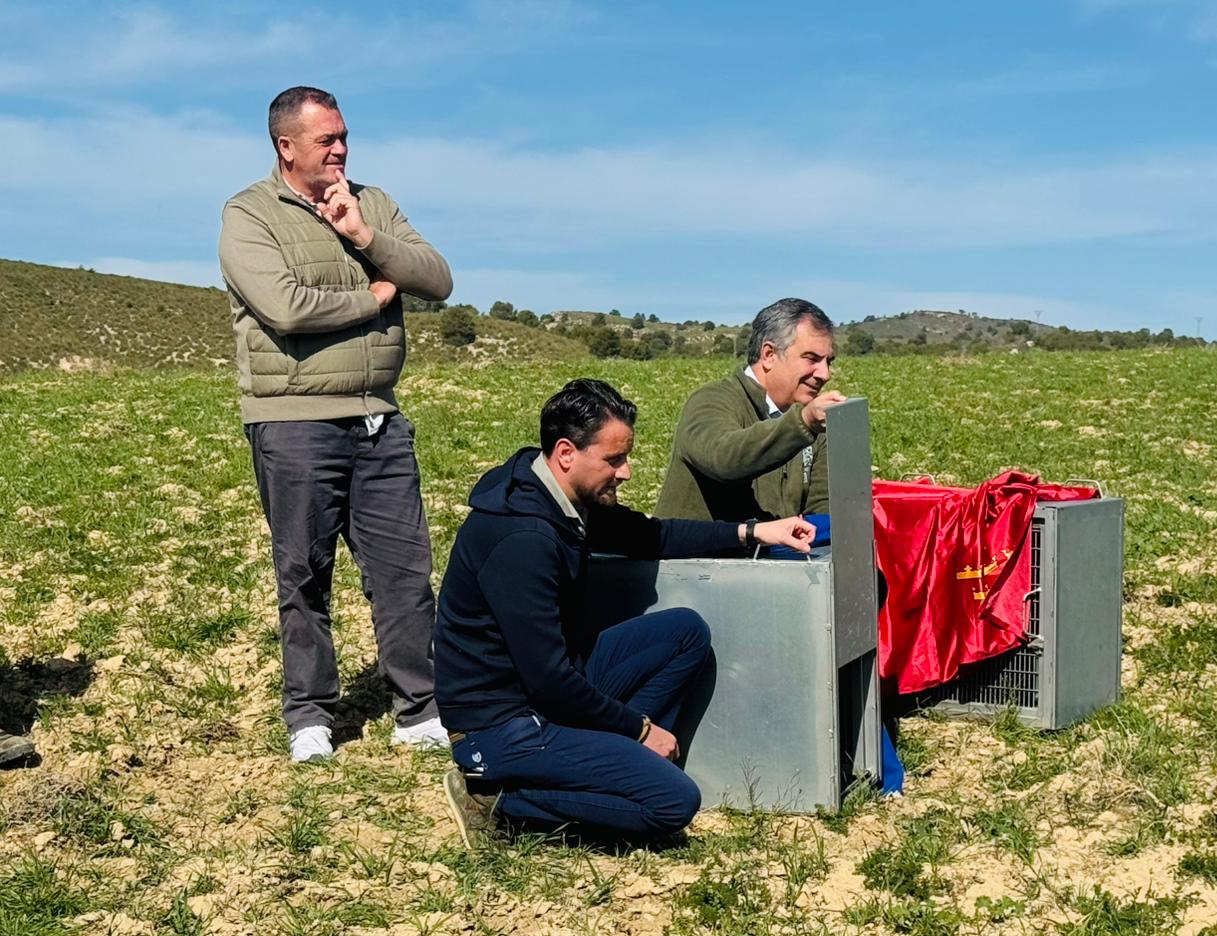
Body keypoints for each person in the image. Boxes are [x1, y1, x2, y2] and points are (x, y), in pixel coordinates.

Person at [434, 379, 815, 846]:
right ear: (567, 452)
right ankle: (498, 802)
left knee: (684, 633)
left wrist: (753, 532)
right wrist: (639, 730)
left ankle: (606, 760)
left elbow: (650, 535)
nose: (626, 472)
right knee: (673, 803)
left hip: (543, 694)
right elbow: (548, 680)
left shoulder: (559, 498)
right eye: (614, 460)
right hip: (500, 727)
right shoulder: (522, 538)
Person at [219, 86, 454, 762]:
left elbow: (436, 277)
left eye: (345, 136)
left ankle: (419, 709)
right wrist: (378, 291)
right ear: (286, 147)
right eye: (327, 140)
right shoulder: (248, 214)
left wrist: (365, 236)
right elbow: (286, 308)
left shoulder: (372, 201)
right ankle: (310, 718)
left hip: (379, 416)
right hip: (294, 421)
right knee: (303, 571)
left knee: (404, 572)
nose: (342, 149)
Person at [653, 298, 846, 522]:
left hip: (776, 556)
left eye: (828, 361)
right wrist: (802, 424)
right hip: (698, 556)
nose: (825, 374)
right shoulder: (711, 401)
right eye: (811, 358)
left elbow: (824, 509)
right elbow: (724, 459)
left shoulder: (813, 426)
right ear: (769, 355)